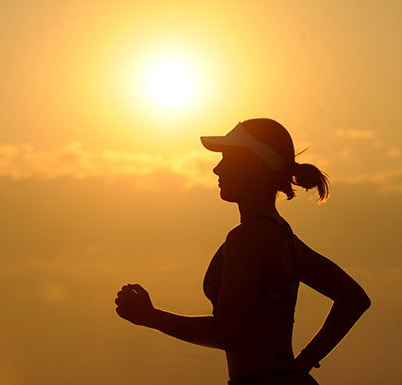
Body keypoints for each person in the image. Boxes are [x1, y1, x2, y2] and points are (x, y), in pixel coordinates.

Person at [114, 118, 371, 385]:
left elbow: (227, 333)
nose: (216, 168)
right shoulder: (282, 235)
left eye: (227, 158)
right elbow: (353, 298)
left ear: (253, 164)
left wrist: (151, 317)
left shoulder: (248, 238)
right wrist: (303, 364)